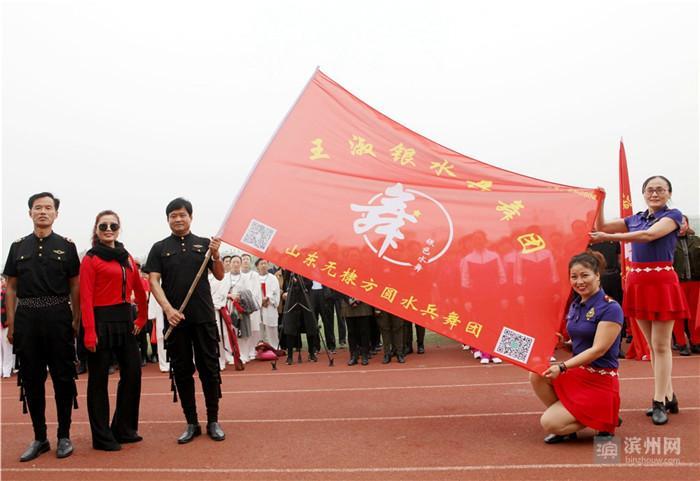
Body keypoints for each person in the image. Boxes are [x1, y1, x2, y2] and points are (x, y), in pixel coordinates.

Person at [590, 175, 689, 425]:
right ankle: (669, 395)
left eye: (660, 189)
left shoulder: (673, 216)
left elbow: (648, 236)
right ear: (643, 193)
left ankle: (659, 401)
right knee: (652, 346)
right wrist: (600, 201)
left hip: (662, 282)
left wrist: (609, 237)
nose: (654, 194)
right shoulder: (634, 219)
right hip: (638, 282)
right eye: (650, 190)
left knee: (661, 345)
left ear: (669, 193)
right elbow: (602, 225)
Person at [2, 192, 80, 461]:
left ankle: (64, 436)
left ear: (56, 213)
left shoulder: (66, 247)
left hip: (58, 316)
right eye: (38, 208)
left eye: (48, 208)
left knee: (63, 378)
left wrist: (76, 318)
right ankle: (40, 437)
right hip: (27, 318)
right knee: (31, 380)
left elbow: (74, 285)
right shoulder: (18, 247)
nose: (43, 212)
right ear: (30, 213)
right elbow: (11, 287)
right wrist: (12, 322)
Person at [143, 197, 226, 443]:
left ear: (191, 217)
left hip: (203, 317)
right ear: (167, 219)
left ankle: (213, 420)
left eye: (182, 215)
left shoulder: (205, 244)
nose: (178, 219)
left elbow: (219, 275)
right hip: (175, 321)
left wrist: (216, 254)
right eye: (173, 216)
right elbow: (153, 281)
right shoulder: (159, 248)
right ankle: (191, 422)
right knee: (181, 371)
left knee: (209, 369)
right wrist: (168, 309)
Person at [529, 251, 623, 443]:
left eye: (585, 275)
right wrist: (565, 344)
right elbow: (582, 342)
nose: (579, 281)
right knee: (537, 374)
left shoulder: (610, 308)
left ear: (597, 275)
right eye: (574, 277)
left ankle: (603, 418)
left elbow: (598, 349)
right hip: (579, 373)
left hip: (600, 379)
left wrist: (562, 366)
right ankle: (586, 418)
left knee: (549, 423)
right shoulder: (576, 304)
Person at [80, 210, 148, 451]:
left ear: (119, 229)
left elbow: (139, 288)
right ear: (96, 230)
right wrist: (89, 331)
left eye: (113, 226)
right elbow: (85, 297)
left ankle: (124, 428)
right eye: (103, 226)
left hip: (125, 321)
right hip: (100, 322)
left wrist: (142, 316)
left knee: (133, 373)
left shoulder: (126, 256)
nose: (108, 229)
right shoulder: (90, 259)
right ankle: (102, 437)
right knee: (98, 380)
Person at [672, 215, 700, 355]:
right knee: (678, 315)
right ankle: (681, 343)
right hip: (677, 283)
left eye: (683, 223)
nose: (681, 226)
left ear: (687, 224)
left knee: (694, 314)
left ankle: (696, 341)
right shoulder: (668, 242)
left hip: (695, 282)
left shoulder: (696, 240)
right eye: (678, 223)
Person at [281, 271, 318, 364]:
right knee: (290, 329)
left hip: (305, 301)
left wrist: (298, 282)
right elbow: (286, 283)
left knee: (310, 327)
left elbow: (309, 284)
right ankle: (290, 356)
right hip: (292, 302)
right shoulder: (289, 271)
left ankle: (311, 353)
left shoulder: (305, 269)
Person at [253, 259, 280, 349]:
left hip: (269, 305)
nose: (264, 265)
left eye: (265, 263)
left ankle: (274, 347)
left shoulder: (273, 278)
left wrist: (268, 298)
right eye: (261, 264)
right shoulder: (254, 278)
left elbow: (276, 292)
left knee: (271, 328)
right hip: (258, 307)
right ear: (257, 266)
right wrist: (260, 301)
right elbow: (252, 291)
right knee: (258, 328)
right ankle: (260, 347)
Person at [1, 275, 16, 377]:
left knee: (7, 348)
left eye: (2, 280)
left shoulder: (7, 294)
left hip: (5, 324)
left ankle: (6, 370)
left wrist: (10, 322)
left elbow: (10, 309)